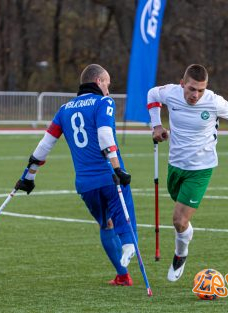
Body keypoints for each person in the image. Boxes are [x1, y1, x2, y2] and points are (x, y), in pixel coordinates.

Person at [15, 64, 137, 286]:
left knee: (106, 223)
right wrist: (118, 168)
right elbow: (105, 135)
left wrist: (29, 176)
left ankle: (122, 275)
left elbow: (45, 145)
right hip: (109, 176)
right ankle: (129, 245)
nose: (108, 89)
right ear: (99, 81)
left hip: (85, 184)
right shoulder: (104, 102)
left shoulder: (64, 109)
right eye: (107, 83)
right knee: (124, 215)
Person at [146, 64, 228, 282]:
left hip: (201, 168)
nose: (195, 95)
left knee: (178, 220)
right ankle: (186, 233)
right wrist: (156, 125)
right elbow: (152, 94)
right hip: (175, 164)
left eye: (200, 90)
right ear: (182, 84)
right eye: (191, 89)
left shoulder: (214, 101)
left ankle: (181, 254)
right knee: (181, 218)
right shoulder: (171, 92)